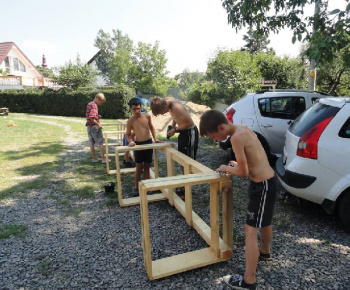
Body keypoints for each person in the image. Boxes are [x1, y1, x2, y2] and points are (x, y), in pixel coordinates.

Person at [199, 110, 277, 290]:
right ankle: (265, 252)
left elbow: (243, 173)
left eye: (214, 136)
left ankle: (248, 280)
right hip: (270, 181)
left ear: (220, 127)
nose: (216, 140)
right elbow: (251, 160)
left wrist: (226, 166)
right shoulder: (243, 129)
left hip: (262, 186)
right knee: (265, 221)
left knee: (250, 230)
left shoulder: (235, 138)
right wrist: (236, 164)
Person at [149, 96, 199, 199]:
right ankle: (185, 184)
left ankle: (187, 190)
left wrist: (174, 130)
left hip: (190, 133)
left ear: (165, 105)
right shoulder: (167, 100)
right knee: (182, 159)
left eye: (163, 112)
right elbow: (175, 117)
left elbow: (190, 123)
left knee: (188, 161)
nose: (164, 114)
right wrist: (173, 126)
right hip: (183, 133)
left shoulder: (176, 106)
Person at [125, 97, 162, 196]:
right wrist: (130, 141)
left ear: (141, 107)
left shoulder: (147, 116)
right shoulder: (130, 121)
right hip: (138, 145)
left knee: (147, 167)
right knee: (138, 168)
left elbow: (151, 127)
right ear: (131, 109)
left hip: (148, 143)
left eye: (138, 108)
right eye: (134, 109)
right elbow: (128, 134)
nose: (137, 111)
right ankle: (136, 188)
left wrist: (156, 139)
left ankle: (147, 186)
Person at [86, 93, 108, 163]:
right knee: (100, 142)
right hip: (94, 127)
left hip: (89, 126)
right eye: (101, 102)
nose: (101, 103)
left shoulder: (90, 104)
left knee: (91, 142)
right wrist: (98, 125)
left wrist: (97, 116)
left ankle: (94, 158)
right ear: (98, 99)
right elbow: (91, 118)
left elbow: (90, 115)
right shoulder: (94, 105)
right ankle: (103, 159)